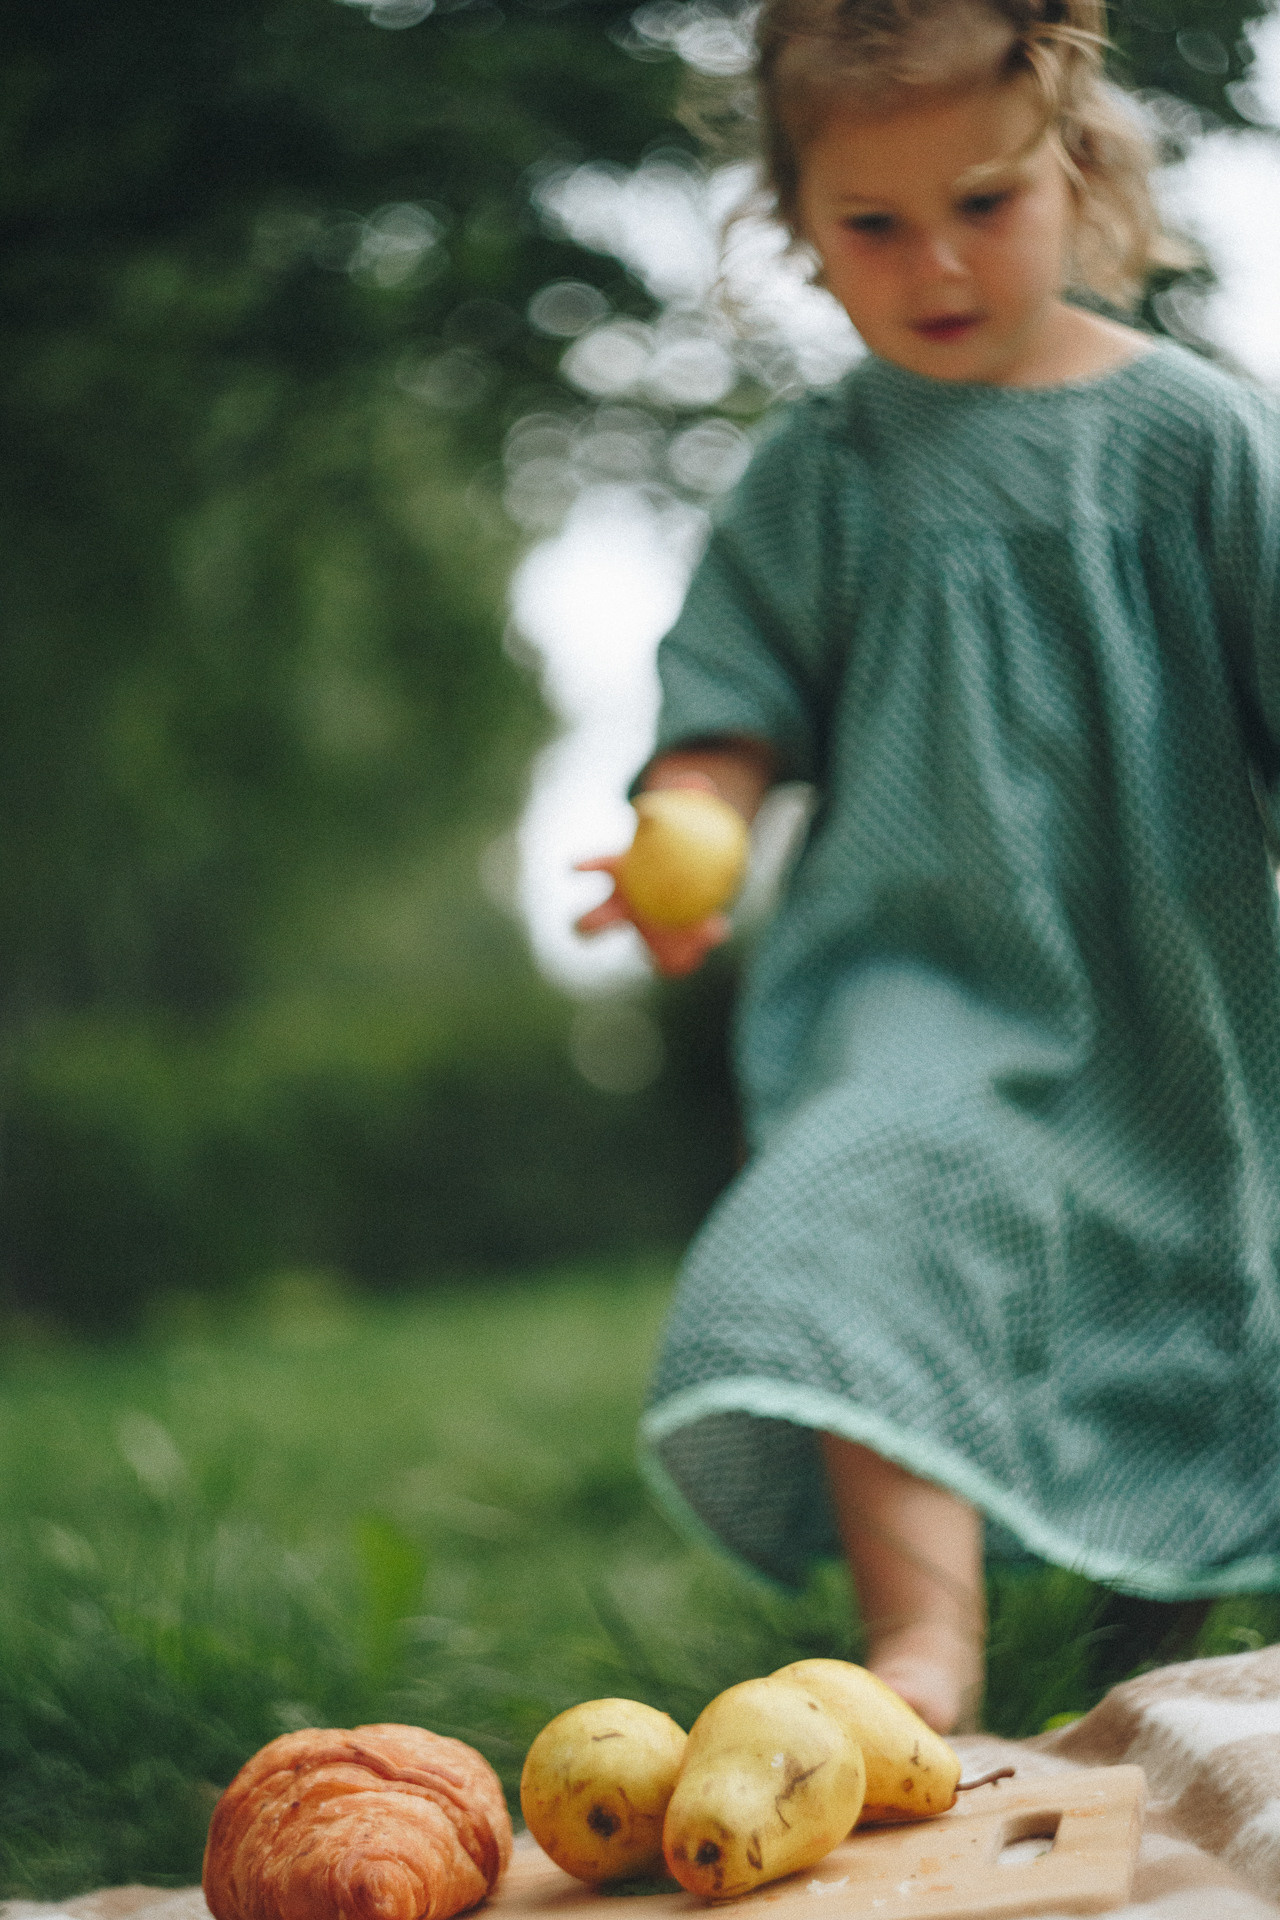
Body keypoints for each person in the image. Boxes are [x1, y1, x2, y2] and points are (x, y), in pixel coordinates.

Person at [577, 0, 1280, 1736]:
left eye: (984, 201)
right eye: (872, 224)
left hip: (1162, 991)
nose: (935, 261)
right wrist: (701, 825)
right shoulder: (825, 474)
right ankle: (925, 1658)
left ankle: (1152, 1648)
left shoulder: (1198, 439)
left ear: (1084, 168)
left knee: (1185, 1301)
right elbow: (731, 704)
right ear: (798, 229)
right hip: (912, 983)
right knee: (854, 1221)